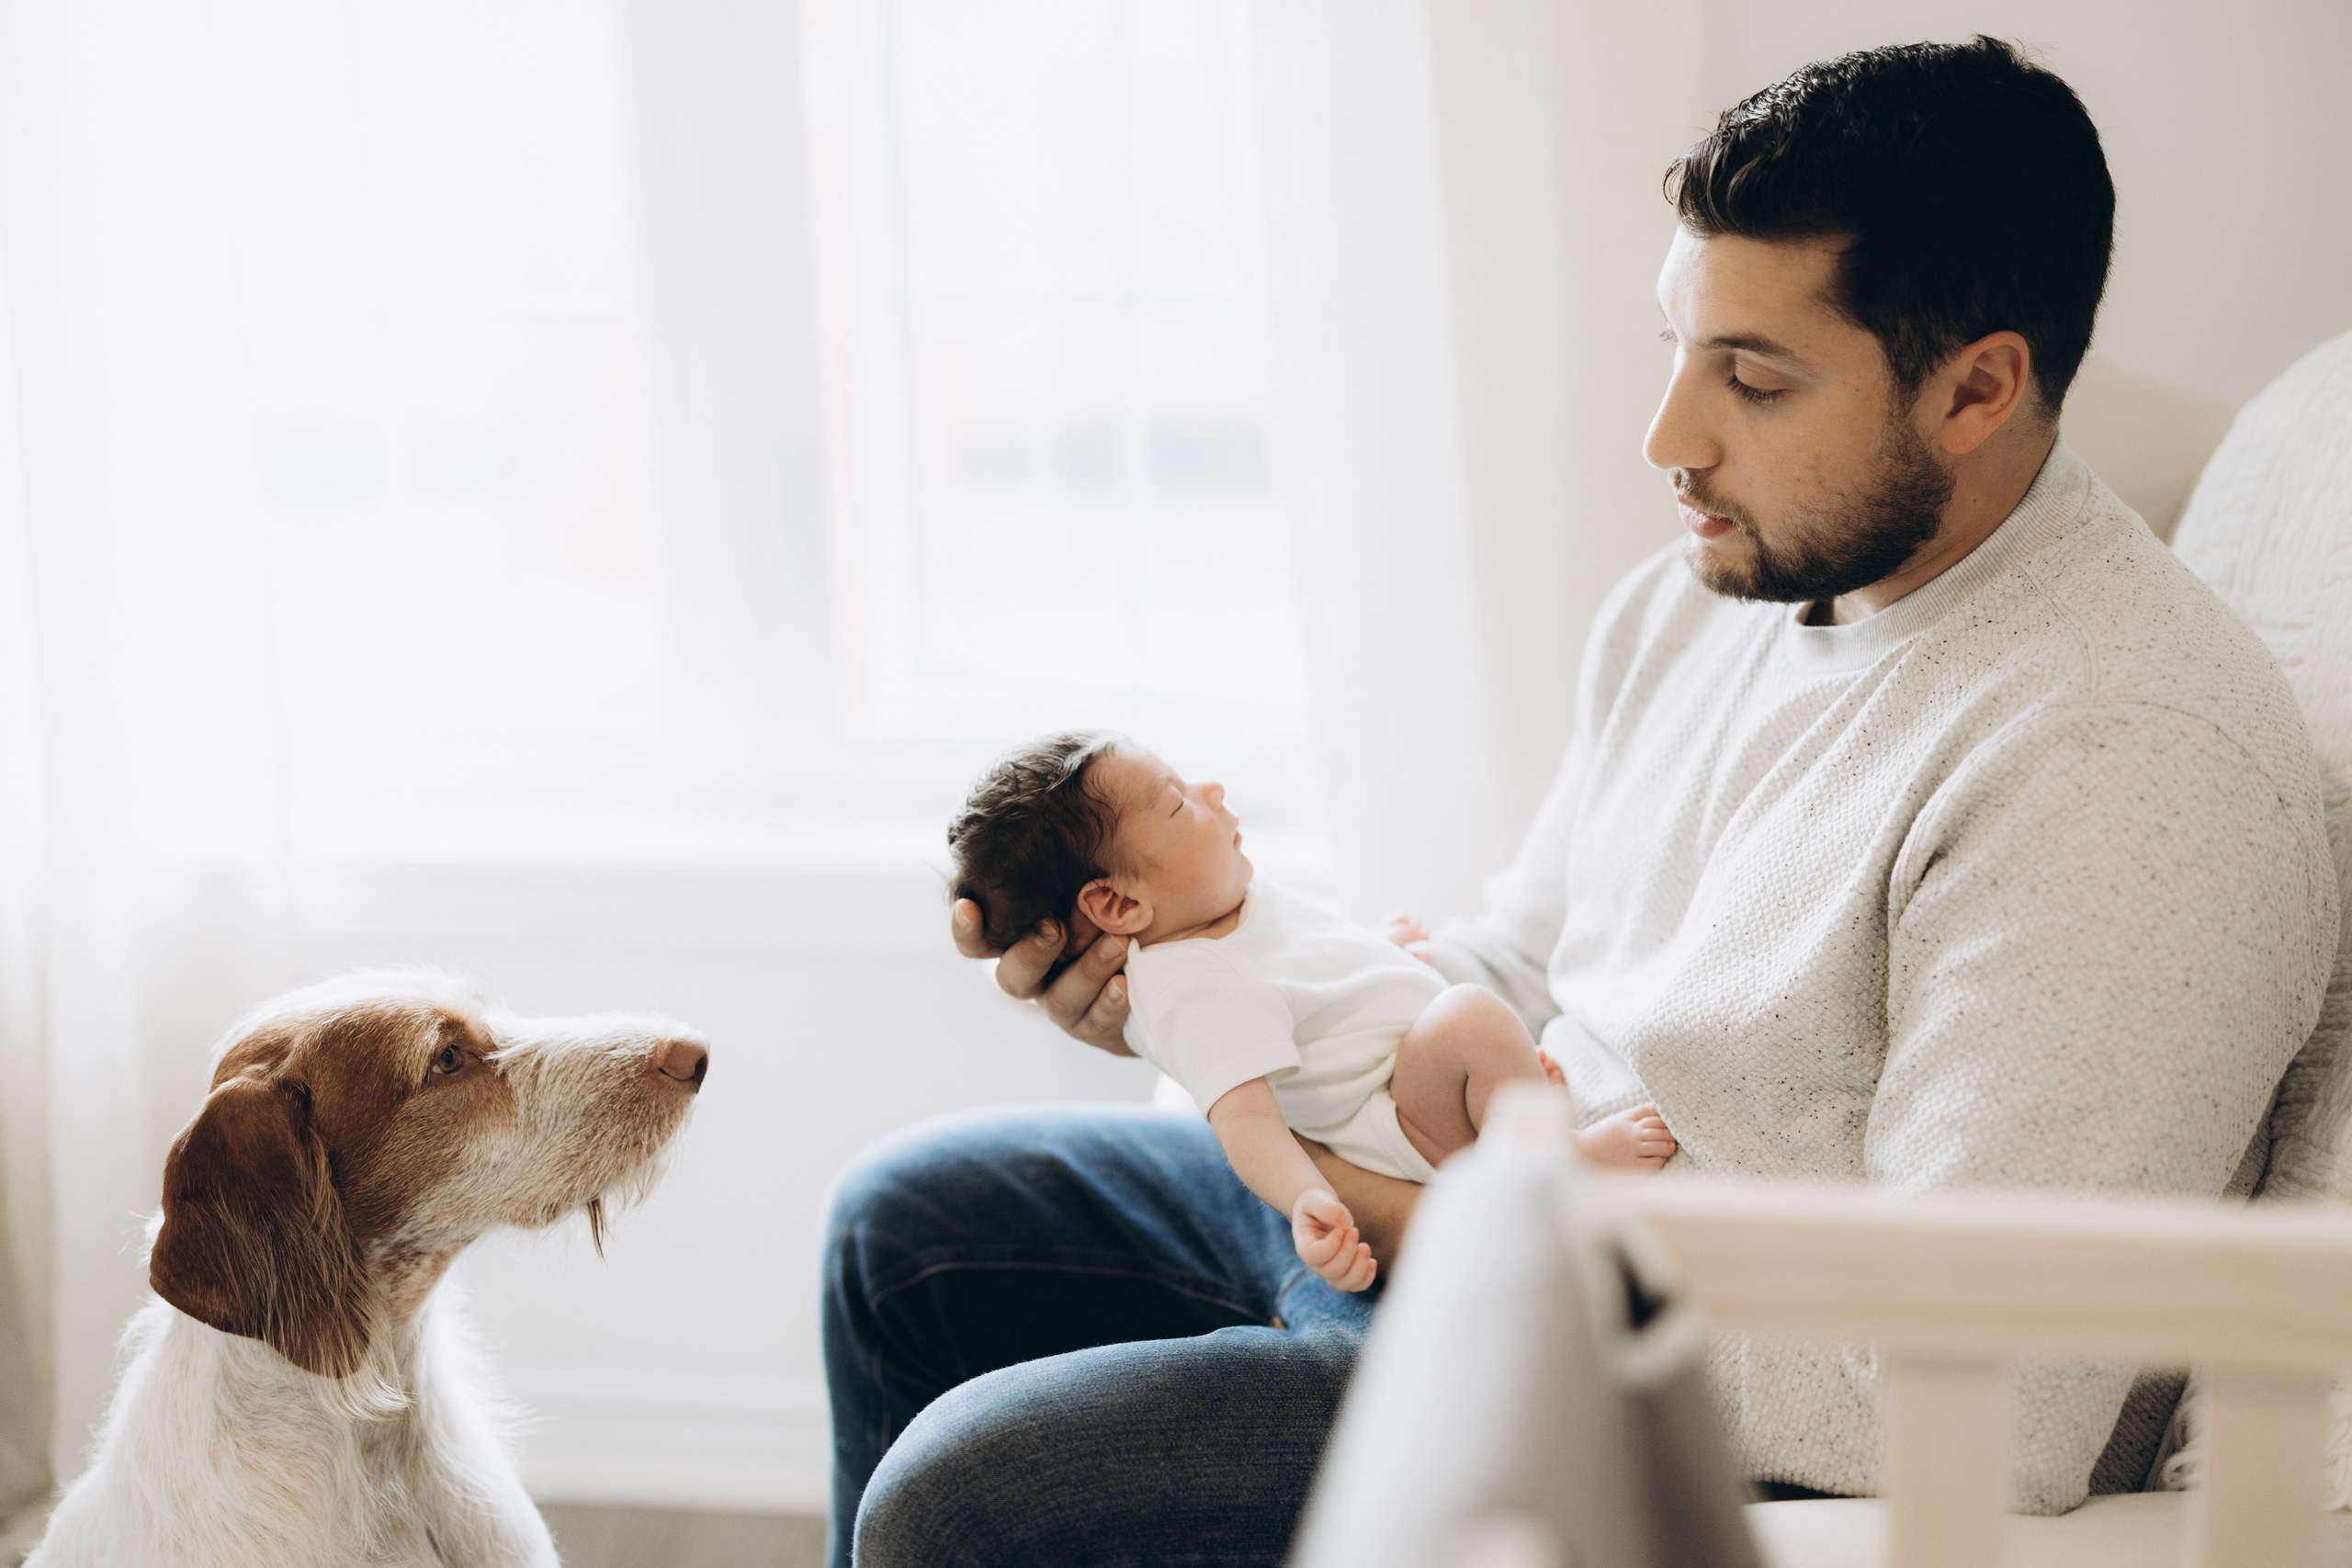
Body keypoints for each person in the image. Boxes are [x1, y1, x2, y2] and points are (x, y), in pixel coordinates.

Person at [823, 36, 2338, 1567]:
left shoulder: (2120, 760)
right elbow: (1522, 962)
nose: (1669, 437)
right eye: (1678, 347)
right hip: (1477, 1214)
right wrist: (1211, 1001)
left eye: (1750, 377)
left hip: (1653, 1387)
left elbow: (1976, 1398)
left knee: (970, 1492)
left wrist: (1442, 1231)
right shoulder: (1720, 592)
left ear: (1979, 388)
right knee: (906, 1231)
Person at [944, 730, 1676, 1292]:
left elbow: (1305, 980)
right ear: (1118, 902)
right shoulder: (1193, 985)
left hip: (1407, 1091)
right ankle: (1556, 1167)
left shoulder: (1217, 908)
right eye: (1177, 802)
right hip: (1401, 1126)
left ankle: (1504, 1114)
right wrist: (1308, 1201)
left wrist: (1380, 958)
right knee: (1473, 1016)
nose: (1212, 788)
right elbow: (1246, 1119)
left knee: (1466, 1017)